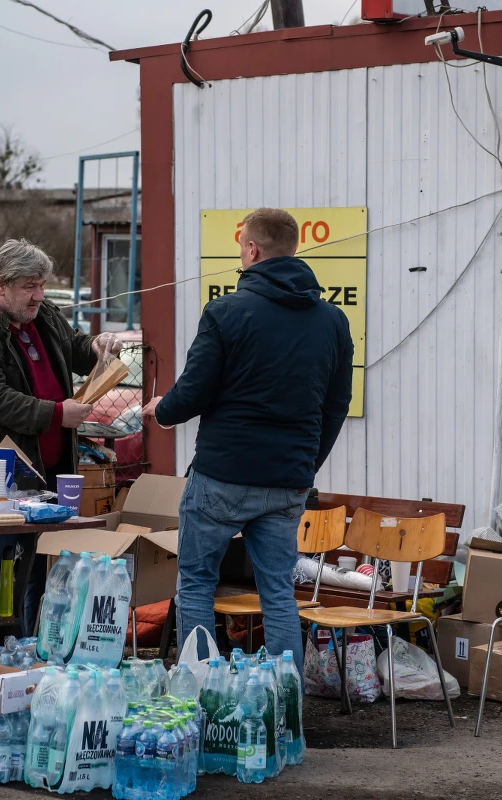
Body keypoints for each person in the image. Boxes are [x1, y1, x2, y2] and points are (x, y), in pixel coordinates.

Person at [142, 208, 354, 675]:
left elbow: (194, 392)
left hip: (222, 474)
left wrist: (162, 410)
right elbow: (336, 404)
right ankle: (285, 710)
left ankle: (201, 699)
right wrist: (306, 463)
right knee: (277, 590)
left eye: (242, 249)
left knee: (196, 582)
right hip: (288, 480)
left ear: (252, 250)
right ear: (295, 249)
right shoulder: (332, 321)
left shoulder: (225, 312)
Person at [0, 238, 121, 637]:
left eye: (42, 285)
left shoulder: (41, 315)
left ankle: (32, 646)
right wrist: (58, 413)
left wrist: (96, 346)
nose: (39, 295)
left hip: (50, 468)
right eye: (30, 286)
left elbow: (72, 347)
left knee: (43, 563)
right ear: (0, 284)